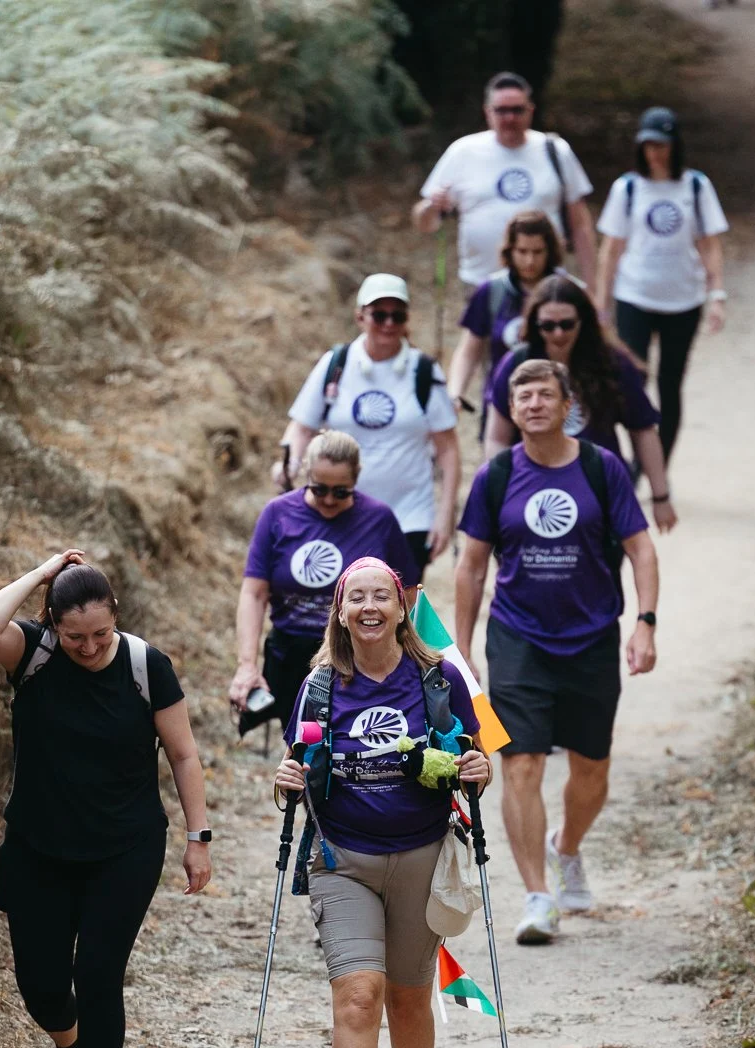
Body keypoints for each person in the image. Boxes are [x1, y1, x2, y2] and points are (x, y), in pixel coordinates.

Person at [0, 552, 213, 1048]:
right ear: (50, 621)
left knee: (98, 973)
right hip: (38, 846)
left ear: (116, 619)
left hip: (125, 846)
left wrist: (197, 835)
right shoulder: (34, 654)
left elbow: (183, 755)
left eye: (100, 633)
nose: (88, 646)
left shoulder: (143, 665)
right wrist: (42, 573)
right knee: (43, 984)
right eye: (75, 634)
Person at [274, 558, 491, 1048]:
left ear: (402, 609)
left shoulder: (439, 678)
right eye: (355, 597)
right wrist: (284, 780)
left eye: (381, 596)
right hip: (342, 861)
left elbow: (476, 763)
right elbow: (296, 767)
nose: (369, 606)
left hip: (421, 858)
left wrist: (478, 769)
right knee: (358, 996)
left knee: (407, 997)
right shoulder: (318, 688)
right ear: (340, 613)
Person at [454, 359, 660, 946]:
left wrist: (644, 624)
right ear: (512, 411)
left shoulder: (600, 468)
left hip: (592, 636)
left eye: (546, 395)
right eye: (523, 397)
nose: (535, 404)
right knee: (520, 763)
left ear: (567, 404)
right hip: (518, 638)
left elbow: (642, 550)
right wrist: (461, 650)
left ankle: (566, 846)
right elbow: (470, 569)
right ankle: (538, 895)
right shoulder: (495, 477)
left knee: (592, 768)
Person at [230, 432, 420, 730]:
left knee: (353, 742)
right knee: (303, 748)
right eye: (319, 489)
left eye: (341, 491)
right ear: (306, 474)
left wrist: (398, 650)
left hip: (360, 655)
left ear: (356, 479)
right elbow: (254, 594)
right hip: (292, 658)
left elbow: (407, 595)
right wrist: (247, 664)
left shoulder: (379, 519)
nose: (329, 499)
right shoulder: (277, 514)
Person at [283, 274, 460, 574]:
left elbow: (448, 450)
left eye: (397, 315)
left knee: (400, 612)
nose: (388, 324)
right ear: (360, 316)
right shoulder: (335, 364)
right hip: (340, 510)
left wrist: (444, 517)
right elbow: (301, 427)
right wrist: (290, 463)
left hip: (409, 516)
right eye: (379, 315)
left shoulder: (424, 371)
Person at [484, 277, 677, 532]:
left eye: (567, 324)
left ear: (583, 322)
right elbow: (497, 436)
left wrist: (660, 496)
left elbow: (642, 430)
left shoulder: (612, 365)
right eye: (548, 325)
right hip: (532, 495)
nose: (558, 333)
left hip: (600, 496)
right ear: (534, 324)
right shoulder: (516, 365)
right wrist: (499, 493)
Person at [596, 106, 729, 465]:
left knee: (670, 385)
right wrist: (600, 301)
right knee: (631, 381)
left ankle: (656, 464)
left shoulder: (695, 186)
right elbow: (611, 248)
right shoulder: (627, 188)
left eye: (662, 144)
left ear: (674, 145)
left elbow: (710, 244)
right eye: (649, 144)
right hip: (635, 294)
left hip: (683, 299)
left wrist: (717, 294)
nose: (655, 152)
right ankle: (629, 459)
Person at [414, 72, 598, 290]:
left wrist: (593, 288)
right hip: (481, 285)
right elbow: (424, 223)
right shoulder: (463, 152)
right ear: (487, 112)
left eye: (517, 110)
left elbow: (580, 224)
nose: (509, 118)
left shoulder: (556, 151)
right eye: (501, 110)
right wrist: (431, 207)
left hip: (545, 287)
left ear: (530, 110)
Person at [448, 211, 574, 409]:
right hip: (502, 403)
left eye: (538, 252)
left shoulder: (569, 292)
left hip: (557, 407)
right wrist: (455, 393)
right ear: (510, 250)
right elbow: (469, 350)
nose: (530, 261)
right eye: (522, 252)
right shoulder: (491, 291)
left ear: (550, 251)